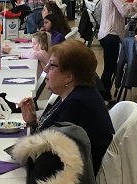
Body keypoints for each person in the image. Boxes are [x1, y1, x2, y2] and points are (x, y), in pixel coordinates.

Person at [17, 40, 114, 176]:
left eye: (51, 66)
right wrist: (34, 122)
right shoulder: (74, 94)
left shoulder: (78, 105)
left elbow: (51, 157)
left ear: (68, 77)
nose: (45, 69)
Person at [98, 0, 137, 101]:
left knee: (110, 66)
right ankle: (103, 94)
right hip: (110, 34)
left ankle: (104, 93)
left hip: (109, 34)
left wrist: (133, 7)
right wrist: (136, 4)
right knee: (110, 67)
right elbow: (124, 10)